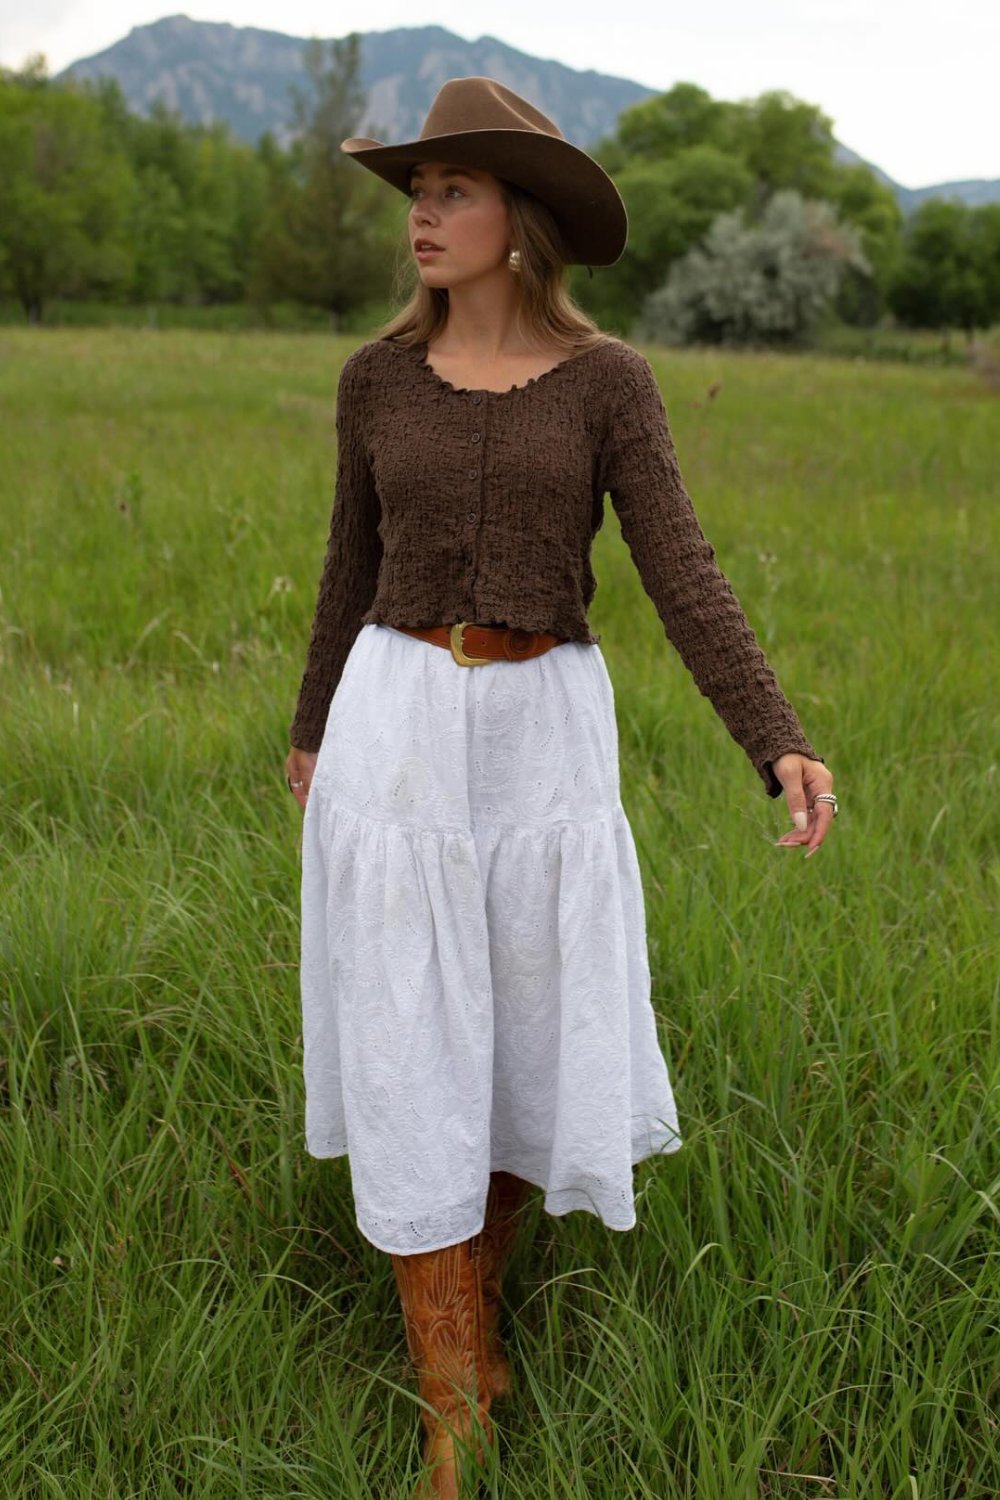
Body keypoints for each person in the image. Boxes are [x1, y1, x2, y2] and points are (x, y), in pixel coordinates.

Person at [284, 76, 837, 1499]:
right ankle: (453, 1395)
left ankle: (480, 1311)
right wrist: (310, 736)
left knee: (528, 1039)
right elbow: (349, 564)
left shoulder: (610, 385)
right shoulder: (370, 379)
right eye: (416, 192)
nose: (423, 214)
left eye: (451, 191)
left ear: (520, 221)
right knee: (412, 1043)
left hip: (545, 740)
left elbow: (679, 566)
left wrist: (773, 735)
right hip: (395, 728)